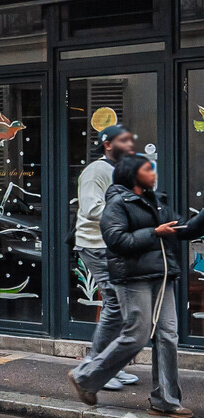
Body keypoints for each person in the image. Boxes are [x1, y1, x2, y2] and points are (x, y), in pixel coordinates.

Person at [69, 155, 204, 412]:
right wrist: (154, 233)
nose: (153, 173)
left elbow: (183, 229)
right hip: (133, 278)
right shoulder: (117, 203)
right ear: (133, 175)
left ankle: (166, 401)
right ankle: (85, 377)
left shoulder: (156, 202)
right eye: (147, 169)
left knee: (168, 336)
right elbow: (116, 240)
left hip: (162, 276)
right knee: (137, 336)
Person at [74, 123, 138, 391]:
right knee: (115, 304)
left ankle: (109, 366)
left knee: (122, 307)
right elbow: (91, 209)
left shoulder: (118, 171)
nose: (130, 146)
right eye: (124, 141)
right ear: (107, 144)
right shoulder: (96, 171)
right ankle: (95, 367)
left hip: (112, 247)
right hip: (95, 246)